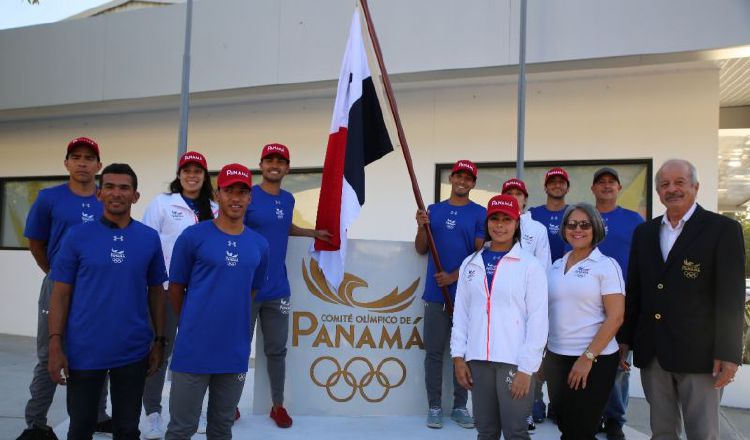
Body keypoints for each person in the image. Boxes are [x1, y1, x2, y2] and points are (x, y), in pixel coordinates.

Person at [619, 159, 745, 440]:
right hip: (654, 353)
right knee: (662, 432)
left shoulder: (722, 229)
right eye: (664, 184)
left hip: (701, 356)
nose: (671, 189)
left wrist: (729, 353)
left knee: (702, 433)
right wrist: (625, 339)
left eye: (679, 183)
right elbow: (636, 289)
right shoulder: (645, 233)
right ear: (658, 192)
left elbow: (731, 297)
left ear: (696, 187)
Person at [47, 163, 168, 440]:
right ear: (99, 194)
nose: (117, 193)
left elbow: (156, 292)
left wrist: (160, 341)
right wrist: (55, 343)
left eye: (124, 188)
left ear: (135, 196)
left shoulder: (149, 238)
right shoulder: (77, 236)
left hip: (133, 350)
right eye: (110, 187)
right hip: (84, 349)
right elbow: (60, 293)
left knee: (127, 430)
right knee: (80, 428)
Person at [165, 163, 269, 440]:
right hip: (193, 349)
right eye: (229, 191)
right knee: (180, 429)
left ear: (250, 198)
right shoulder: (193, 237)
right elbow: (175, 289)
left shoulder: (259, 244)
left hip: (234, 351)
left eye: (242, 192)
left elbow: (251, 291)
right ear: (218, 195)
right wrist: (192, 322)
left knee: (222, 428)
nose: (236, 198)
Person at [18, 137, 109, 440]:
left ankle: (98, 415)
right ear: (67, 163)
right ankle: (36, 422)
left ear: (99, 165)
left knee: (99, 352)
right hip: (58, 286)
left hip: (97, 291)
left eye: (89, 157)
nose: (82, 162)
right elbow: (35, 242)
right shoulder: (49, 198)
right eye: (76, 157)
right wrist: (56, 274)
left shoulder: (105, 200)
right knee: (49, 354)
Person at [243, 143, 330, 428]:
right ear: (261, 164)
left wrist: (311, 232)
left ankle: (277, 405)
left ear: (287, 168)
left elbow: (284, 227)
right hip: (246, 287)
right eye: (269, 160)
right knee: (238, 346)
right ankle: (229, 405)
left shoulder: (288, 199)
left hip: (278, 287)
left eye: (280, 161)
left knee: (277, 350)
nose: (274, 165)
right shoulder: (247, 195)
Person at [451, 194, 548, 440]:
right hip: (478, 361)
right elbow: (461, 314)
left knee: (515, 431)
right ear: (487, 222)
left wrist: (527, 369)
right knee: (485, 431)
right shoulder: (470, 264)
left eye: (507, 219)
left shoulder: (530, 265)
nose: (500, 225)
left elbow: (538, 319)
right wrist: (458, 357)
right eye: (495, 218)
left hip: (514, 362)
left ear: (517, 224)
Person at [140, 151, 218, 439]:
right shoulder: (162, 204)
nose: (192, 175)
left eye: (198, 170)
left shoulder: (214, 207)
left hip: (203, 295)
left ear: (205, 175)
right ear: (179, 174)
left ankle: (192, 410)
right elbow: (147, 244)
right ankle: (153, 413)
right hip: (165, 291)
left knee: (198, 353)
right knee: (160, 350)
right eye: (187, 170)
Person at [545, 202, 625, 439]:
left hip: (594, 359)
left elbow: (616, 317)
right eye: (571, 224)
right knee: (562, 421)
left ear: (596, 228)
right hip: (556, 357)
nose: (577, 229)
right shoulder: (556, 266)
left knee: (580, 429)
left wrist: (587, 358)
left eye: (584, 224)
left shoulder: (606, 266)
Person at [415, 159, 485, 429]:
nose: (462, 181)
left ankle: (459, 406)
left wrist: (455, 276)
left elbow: (481, 253)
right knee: (434, 353)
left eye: (468, 178)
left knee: (465, 352)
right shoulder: (433, 210)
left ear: (473, 183)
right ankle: (434, 407)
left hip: (467, 295)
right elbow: (421, 249)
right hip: (435, 295)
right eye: (458, 176)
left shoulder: (480, 213)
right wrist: (422, 226)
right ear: (452, 179)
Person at [590, 167, 644, 440]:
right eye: (601, 182)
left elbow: (644, 260)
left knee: (619, 364)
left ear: (619, 188)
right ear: (593, 189)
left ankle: (615, 419)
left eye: (612, 182)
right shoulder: (585, 218)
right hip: (587, 302)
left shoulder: (633, 219)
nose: (607, 186)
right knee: (589, 357)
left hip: (622, 302)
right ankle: (593, 414)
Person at [500, 177, 551, 431]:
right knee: (506, 357)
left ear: (525, 199)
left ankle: (528, 410)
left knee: (530, 358)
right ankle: (507, 409)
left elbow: (544, 267)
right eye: (508, 192)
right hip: (504, 302)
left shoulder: (538, 229)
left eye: (518, 193)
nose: (514, 196)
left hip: (529, 303)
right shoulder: (498, 225)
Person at [529, 167, 570, 263]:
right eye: (552, 182)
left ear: (568, 188)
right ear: (545, 188)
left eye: (561, 182)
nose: (557, 185)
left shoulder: (575, 213)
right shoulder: (533, 213)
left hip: (567, 272)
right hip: (538, 271)